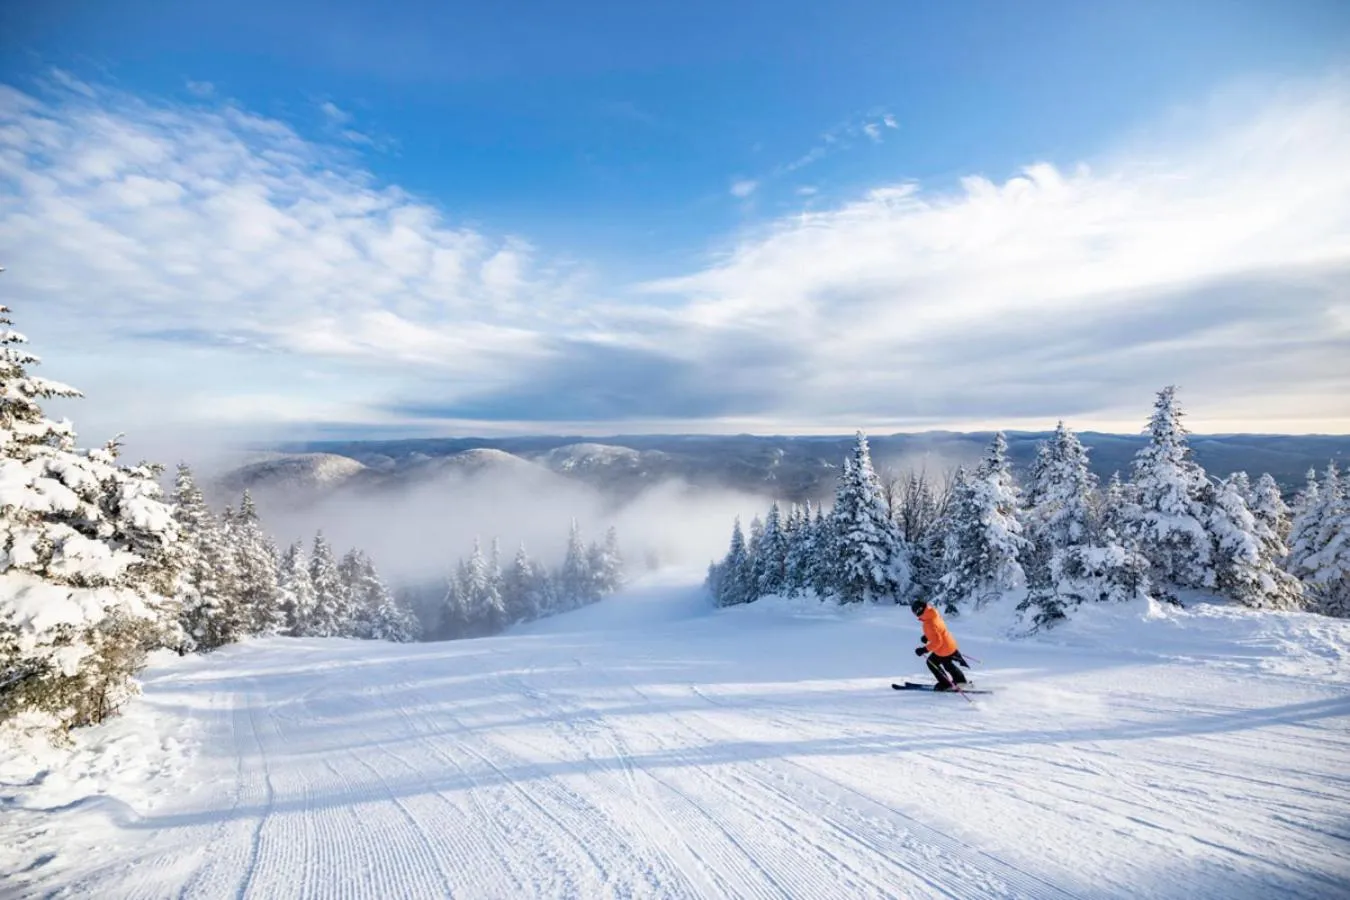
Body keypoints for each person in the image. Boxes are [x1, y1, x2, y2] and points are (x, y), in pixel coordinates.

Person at [910, 599, 970, 691]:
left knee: (931, 662)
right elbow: (939, 630)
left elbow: (937, 642)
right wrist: (927, 636)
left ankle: (946, 684)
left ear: (918, 611)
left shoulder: (929, 623)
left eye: (914, 613)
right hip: (950, 644)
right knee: (947, 664)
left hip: (943, 649)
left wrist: (924, 650)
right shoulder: (933, 613)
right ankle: (960, 681)